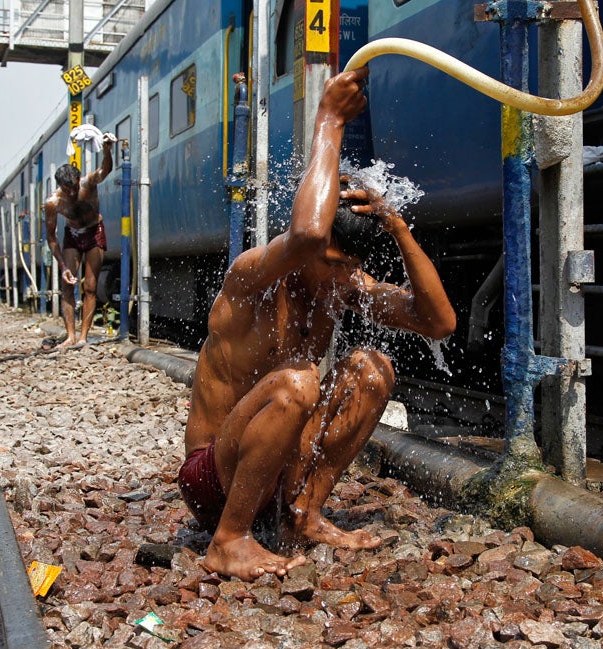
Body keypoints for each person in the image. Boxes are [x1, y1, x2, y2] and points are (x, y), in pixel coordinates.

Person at [178, 67, 457, 582]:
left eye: (344, 265)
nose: (336, 274)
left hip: (274, 471)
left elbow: (438, 321)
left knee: (373, 369)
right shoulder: (252, 277)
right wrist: (329, 119)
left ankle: (302, 516)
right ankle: (229, 540)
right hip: (212, 477)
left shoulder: (342, 284)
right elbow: (307, 236)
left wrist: (396, 224)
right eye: (328, 260)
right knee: (297, 381)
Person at [43, 138, 114, 348]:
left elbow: (105, 170)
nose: (72, 193)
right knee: (67, 285)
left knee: (90, 286)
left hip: (94, 232)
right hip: (72, 235)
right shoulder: (53, 203)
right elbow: (51, 236)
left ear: (78, 180)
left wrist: (107, 151)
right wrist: (63, 266)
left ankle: (83, 337)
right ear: (60, 187)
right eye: (67, 190)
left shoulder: (88, 184)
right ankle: (70, 336)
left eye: (74, 187)